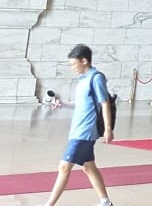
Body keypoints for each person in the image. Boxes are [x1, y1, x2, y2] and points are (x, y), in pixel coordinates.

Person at [41, 43, 114, 206]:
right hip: (78, 130)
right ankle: (105, 202)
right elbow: (81, 104)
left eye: (74, 64)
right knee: (88, 166)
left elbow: (105, 103)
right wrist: (63, 104)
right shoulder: (83, 80)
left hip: (85, 131)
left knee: (64, 167)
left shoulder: (96, 78)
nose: (72, 68)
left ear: (84, 61)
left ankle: (49, 204)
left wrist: (108, 129)